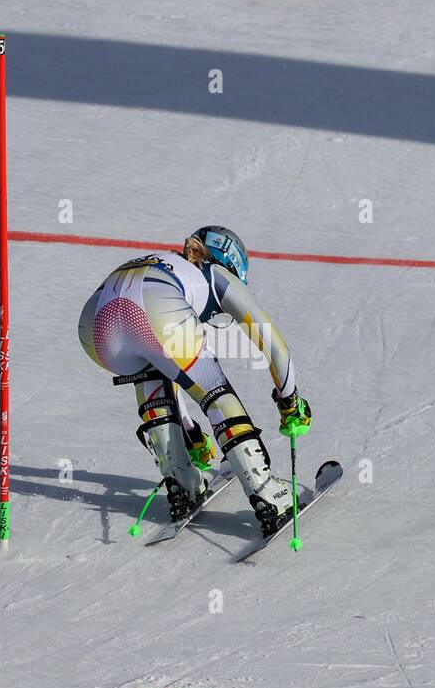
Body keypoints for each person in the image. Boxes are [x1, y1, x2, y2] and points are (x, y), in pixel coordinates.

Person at [78, 226, 311, 534]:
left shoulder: (168, 260)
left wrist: (190, 434)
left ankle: (182, 481)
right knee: (215, 393)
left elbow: (168, 364)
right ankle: (265, 490)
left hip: (96, 328)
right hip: (158, 308)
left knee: (153, 369)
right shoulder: (215, 272)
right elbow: (271, 343)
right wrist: (289, 399)